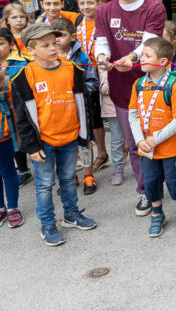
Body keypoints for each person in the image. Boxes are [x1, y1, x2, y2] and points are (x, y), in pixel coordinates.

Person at [94, 0, 167, 216]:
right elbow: (100, 41)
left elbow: (148, 43)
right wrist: (102, 57)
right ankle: (146, 191)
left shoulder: (154, 9)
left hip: (154, 85)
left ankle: (169, 181)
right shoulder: (104, 11)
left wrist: (132, 57)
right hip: (122, 88)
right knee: (135, 144)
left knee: (161, 141)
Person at [13, 23, 94, 246]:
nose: (52, 48)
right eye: (45, 45)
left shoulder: (72, 69)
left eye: (54, 43)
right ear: (31, 50)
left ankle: (71, 214)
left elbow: (83, 104)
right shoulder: (23, 77)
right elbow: (22, 117)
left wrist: (85, 135)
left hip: (69, 137)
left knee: (68, 179)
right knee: (44, 184)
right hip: (43, 143)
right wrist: (31, 146)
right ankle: (47, 223)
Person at [128, 37, 176, 237]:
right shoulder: (138, 84)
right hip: (147, 148)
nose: (141, 59)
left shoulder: (174, 85)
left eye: (147, 56)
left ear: (163, 61)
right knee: (151, 182)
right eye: (142, 55)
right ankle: (157, 213)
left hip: (169, 148)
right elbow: (133, 114)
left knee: (175, 181)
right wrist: (140, 140)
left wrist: (156, 138)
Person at [51, 18, 99, 194]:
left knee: (84, 142)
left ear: (72, 37)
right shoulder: (49, 57)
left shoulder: (81, 56)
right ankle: (70, 176)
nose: (56, 40)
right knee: (63, 145)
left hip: (80, 109)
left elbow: (92, 81)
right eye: (53, 36)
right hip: (57, 110)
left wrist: (78, 93)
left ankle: (88, 175)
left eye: (61, 35)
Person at [0, 28, 22, 228]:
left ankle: (13, 207)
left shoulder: (9, 72)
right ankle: (0, 208)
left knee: (7, 170)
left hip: (3, 134)